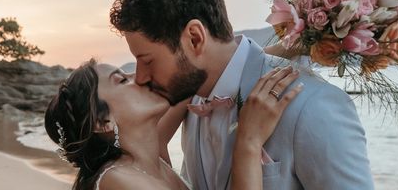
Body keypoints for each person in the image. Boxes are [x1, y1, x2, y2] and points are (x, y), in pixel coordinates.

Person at [109, 0, 374, 190]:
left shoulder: (313, 106)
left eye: (147, 60)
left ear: (194, 39)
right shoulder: (192, 100)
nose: (141, 77)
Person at [45, 58, 303, 190]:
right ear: (103, 121)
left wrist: (293, 42)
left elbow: (195, 75)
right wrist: (248, 141)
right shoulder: (119, 180)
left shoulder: (149, 156)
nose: (140, 76)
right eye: (122, 80)